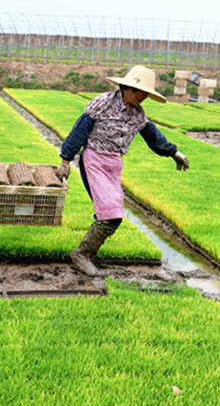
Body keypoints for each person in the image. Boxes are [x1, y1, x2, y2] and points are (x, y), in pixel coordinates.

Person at [56, 65, 190, 277]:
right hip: (95, 160)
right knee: (111, 215)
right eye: (143, 93)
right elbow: (79, 130)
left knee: (113, 215)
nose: (145, 97)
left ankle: (87, 252)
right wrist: (65, 161)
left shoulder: (138, 114)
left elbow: (153, 137)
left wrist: (174, 152)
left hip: (114, 165)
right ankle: (82, 254)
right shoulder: (102, 103)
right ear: (130, 88)